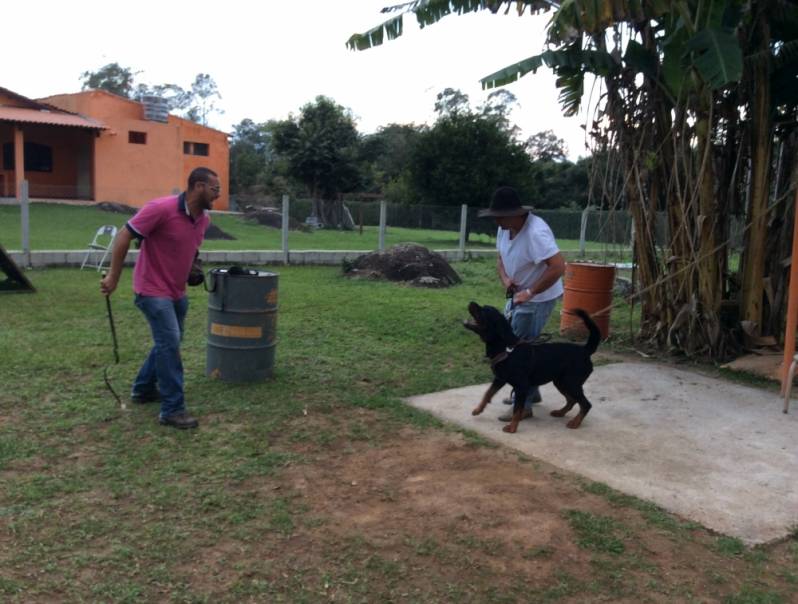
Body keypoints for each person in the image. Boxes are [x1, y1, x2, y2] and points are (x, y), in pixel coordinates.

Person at [100, 167, 220, 429]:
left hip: (177, 291)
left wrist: (193, 267)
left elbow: (188, 247)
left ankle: (143, 389)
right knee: (170, 344)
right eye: (214, 189)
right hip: (151, 290)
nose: (217, 194)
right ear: (198, 186)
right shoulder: (160, 209)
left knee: (171, 340)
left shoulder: (203, 220)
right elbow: (124, 236)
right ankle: (172, 409)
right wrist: (113, 276)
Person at [478, 186, 565, 423]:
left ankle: (523, 405)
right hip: (517, 296)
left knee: (518, 350)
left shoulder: (536, 233)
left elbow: (558, 267)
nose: (496, 221)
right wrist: (506, 279)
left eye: (500, 216)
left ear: (516, 213)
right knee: (518, 344)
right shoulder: (505, 229)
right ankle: (531, 392)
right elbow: (501, 259)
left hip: (538, 299)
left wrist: (530, 291)